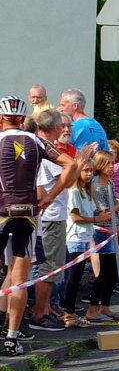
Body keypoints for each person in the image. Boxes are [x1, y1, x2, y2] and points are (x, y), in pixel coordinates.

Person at [0, 97, 74, 357]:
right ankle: (11, 338)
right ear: (23, 119)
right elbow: (72, 164)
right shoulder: (36, 140)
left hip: (1, 211)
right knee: (19, 280)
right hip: (29, 215)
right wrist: (49, 197)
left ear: (1, 119)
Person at [29, 109, 88, 331]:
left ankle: (46, 308)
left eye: (69, 126)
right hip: (50, 216)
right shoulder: (44, 151)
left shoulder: (51, 150)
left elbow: (69, 179)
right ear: (53, 127)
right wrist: (79, 163)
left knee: (54, 267)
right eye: (63, 125)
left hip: (56, 214)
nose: (66, 130)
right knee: (48, 267)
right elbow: (64, 181)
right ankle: (39, 313)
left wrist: (78, 163)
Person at [86, 150, 119, 322]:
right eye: (108, 164)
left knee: (112, 271)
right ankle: (92, 309)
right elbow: (104, 211)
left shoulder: (110, 184)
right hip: (102, 231)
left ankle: (104, 306)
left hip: (112, 230)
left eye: (113, 163)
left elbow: (112, 206)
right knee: (105, 272)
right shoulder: (98, 185)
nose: (112, 167)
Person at [63, 161, 97, 328]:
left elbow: (95, 212)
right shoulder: (75, 191)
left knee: (77, 276)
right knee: (74, 276)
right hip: (75, 236)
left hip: (85, 236)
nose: (89, 174)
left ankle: (70, 312)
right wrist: (97, 219)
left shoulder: (86, 191)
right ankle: (69, 313)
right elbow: (76, 217)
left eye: (91, 170)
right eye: (86, 170)